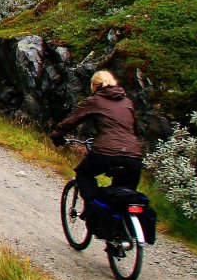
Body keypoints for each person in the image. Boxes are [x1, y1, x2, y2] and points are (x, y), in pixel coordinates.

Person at [52, 70, 143, 200]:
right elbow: (135, 130)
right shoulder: (128, 102)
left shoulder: (95, 100)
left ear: (94, 85)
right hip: (133, 157)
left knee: (83, 174)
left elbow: (71, 120)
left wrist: (57, 136)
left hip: (106, 152)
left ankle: (94, 207)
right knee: (125, 197)